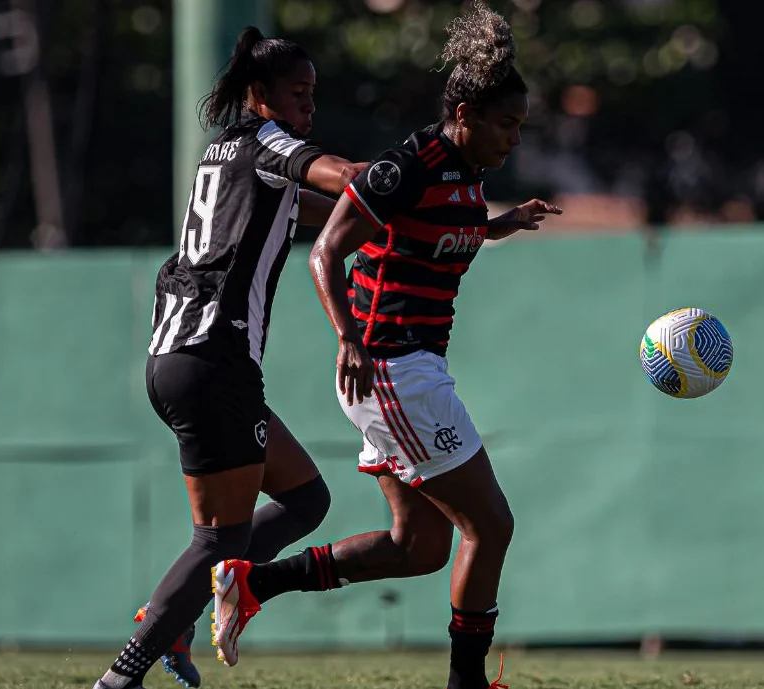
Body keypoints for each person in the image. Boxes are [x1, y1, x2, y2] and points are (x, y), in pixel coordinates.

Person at [208, 3, 561, 688]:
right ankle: (466, 682)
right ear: (464, 115)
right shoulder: (409, 164)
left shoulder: (467, 174)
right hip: (391, 365)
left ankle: (252, 584)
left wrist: (503, 223)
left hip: (409, 368)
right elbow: (327, 253)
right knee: (490, 525)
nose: (516, 139)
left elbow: (441, 230)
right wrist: (350, 339)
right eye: (508, 124)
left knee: (419, 546)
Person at [91, 27, 368, 689]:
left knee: (306, 498)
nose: (308, 107)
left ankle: (184, 615)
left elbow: (313, 207)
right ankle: (122, 674)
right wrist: (408, 178)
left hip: (177, 357)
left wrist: (418, 225)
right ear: (259, 95)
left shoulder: (223, 151)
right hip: (214, 363)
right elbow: (347, 179)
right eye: (297, 94)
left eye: (312, 95)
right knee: (218, 538)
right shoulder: (271, 142)